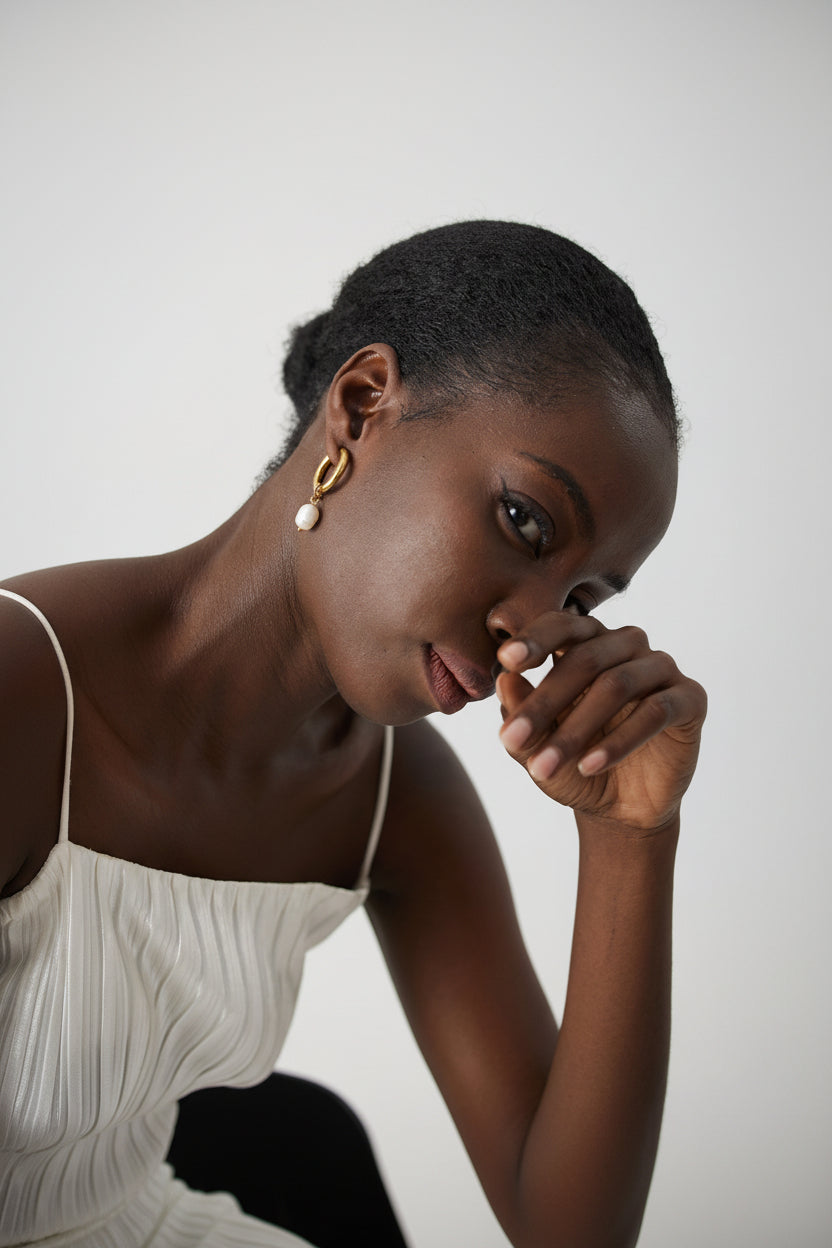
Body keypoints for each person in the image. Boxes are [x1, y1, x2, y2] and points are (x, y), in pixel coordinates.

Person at [0, 220, 707, 1248]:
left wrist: (633, 836)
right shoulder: (25, 692)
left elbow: (568, 1230)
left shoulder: (394, 799)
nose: (535, 626)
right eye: (524, 521)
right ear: (363, 405)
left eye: (583, 597)